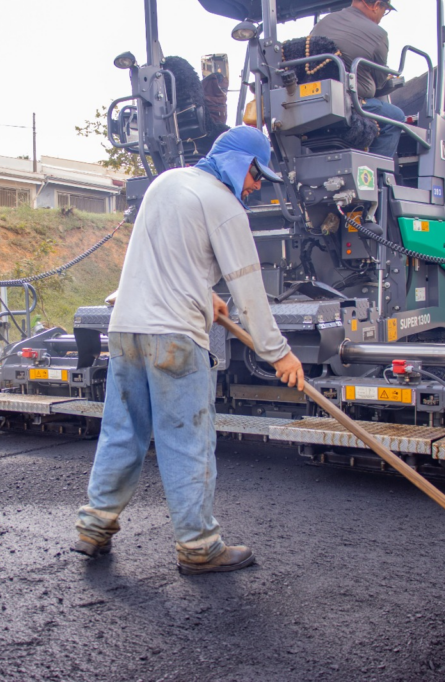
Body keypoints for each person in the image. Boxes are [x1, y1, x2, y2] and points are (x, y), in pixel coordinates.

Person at [73, 126, 306, 575]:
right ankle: (199, 547)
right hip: (175, 337)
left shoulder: (166, 182)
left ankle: (94, 528)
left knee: (122, 431)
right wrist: (279, 353)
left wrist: (203, 293)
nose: (257, 186)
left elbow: (162, 260)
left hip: (125, 328)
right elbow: (249, 290)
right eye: (258, 175)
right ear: (242, 163)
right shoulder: (224, 204)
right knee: (188, 440)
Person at [311, 0, 405, 158]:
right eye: (385, 10)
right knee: (395, 117)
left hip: (316, 101)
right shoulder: (379, 34)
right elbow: (380, 82)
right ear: (375, 5)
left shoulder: (322, 24)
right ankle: (377, 173)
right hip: (350, 104)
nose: (382, 16)